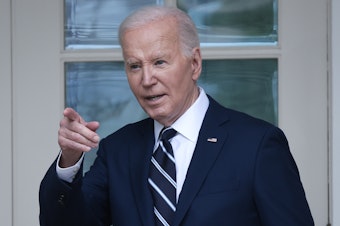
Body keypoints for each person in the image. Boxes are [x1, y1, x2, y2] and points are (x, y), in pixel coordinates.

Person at [39, 5, 314, 226]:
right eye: (134, 66)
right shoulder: (117, 150)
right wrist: (70, 161)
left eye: (159, 62)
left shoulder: (257, 145)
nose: (147, 79)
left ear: (194, 64)